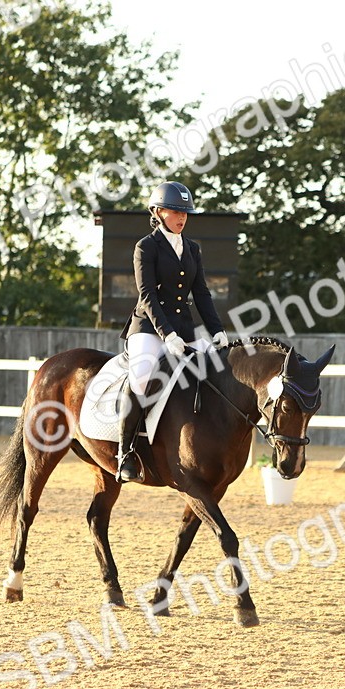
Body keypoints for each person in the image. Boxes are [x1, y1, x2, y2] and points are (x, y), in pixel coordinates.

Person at [116, 180, 229, 483]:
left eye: (185, 212)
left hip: (184, 329)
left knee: (214, 370)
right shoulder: (146, 247)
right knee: (141, 377)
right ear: (158, 212)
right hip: (148, 327)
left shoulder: (192, 248)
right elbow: (147, 295)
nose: (182, 217)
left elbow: (201, 293)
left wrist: (217, 330)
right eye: (175, 211)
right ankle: (125, 452)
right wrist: (166, 334)